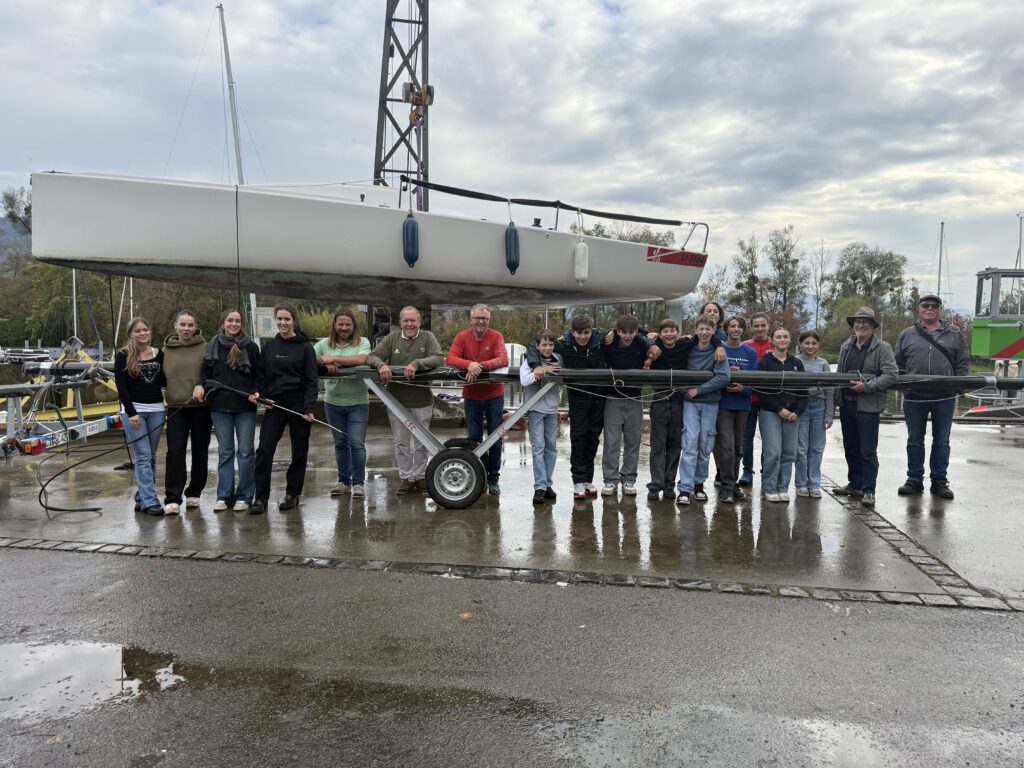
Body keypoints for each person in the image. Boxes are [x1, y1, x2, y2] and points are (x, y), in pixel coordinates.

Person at [894, 293, 970, 499]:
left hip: (944, 396)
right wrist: (902, 384)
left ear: (939, 310)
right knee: (914, 440)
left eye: (934, 306)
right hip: (914, 396)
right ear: (919, 309)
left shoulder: (954, 333)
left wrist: (960, 383)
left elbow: (963, 362)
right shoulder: (906, 334)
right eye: (925, 305)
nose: (930, 309)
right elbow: (898, 363)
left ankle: (939, 480)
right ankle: (914, 479)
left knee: (942, 441)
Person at [367, 306, 445, 495]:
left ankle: (419, 478)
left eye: (413, 320)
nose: (409, 324)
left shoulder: (427, 337)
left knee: (421, 442)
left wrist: (417, 364)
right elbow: (372, 356)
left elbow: (438, 358)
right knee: (401, 442)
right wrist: (381, 365)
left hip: (422, 400)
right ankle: (406, 478)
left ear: (419, 322)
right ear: (400, 323)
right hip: (397, 401)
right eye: (405, 320)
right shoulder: (391, 338)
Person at [250, 304, 318, 514]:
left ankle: (293, 493)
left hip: (298, 404)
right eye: (279, 319)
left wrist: (308, 408)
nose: (282, 323)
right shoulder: (269, 347)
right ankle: (261, 497)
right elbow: (260, 376)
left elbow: (311, 381)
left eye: (287, 319)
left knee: (299, 450)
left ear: (294, 321)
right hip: (274, 405)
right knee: (264, 450)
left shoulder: (305, 347)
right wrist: (264, 397)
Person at [647, 318, 725, 501]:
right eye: (665, 331)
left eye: (672, 331)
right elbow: (641, 335)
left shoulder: (686, 345)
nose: (669, 334)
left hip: (679, 399)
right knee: (658, 444)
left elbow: (707, 336)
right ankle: (655, 483)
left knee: (676, 444)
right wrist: (650, 340)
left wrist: (719, 345)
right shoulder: (654, 346)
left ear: (678, 332)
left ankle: (669, 484)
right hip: (659, 397)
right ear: (660, 333)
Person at [834, 308, 898, 507]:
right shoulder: (846, 345)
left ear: (872, 326)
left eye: (865, 322)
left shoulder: (883, 348)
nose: (861, 325)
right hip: (847, 404)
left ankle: (869, 490)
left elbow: (891, 375)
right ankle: (855, 484)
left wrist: (867, 387)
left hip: (868, 407)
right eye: (857, 322)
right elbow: (839, 372)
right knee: (850, 447)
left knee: (868, 451)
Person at [447, 304, 509, 495]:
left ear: (489, 320)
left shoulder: (496, 336)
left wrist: (480, 366)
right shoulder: (462, 336)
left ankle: (493, 479)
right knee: (474, 439)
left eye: (484, 318)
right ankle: (476, 476)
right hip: (472, 397)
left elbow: (503, 359)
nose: (481, 322)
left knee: (495, 439)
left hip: (494, 396)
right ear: (471, 319)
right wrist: (469, 364)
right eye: (477, 318)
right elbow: (451, 358)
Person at [202, 309, 261, 512]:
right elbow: (205, 373)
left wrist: (256, 391)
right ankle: (224, 495)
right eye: (230, 320)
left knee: (245, 452)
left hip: (245, 407)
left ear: (241, 324)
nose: (234, 324)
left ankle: (244, 496)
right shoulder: (213, 346)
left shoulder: (251, 347)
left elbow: (258, 375)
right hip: (219, 407)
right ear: (223, 322)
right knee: (225, 451)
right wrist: (201, 386)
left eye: (237, 321)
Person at [314, 307, 371, 498]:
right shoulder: (322, 344)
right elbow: (312, 359)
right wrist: (322, 362)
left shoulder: (363, 342)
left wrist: (334, 358)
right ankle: (343, 481)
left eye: (348, 324)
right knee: (340, 443)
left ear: (353, 325)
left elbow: (362, 359)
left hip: (358, 402)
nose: (344, 327)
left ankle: (359, 483)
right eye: (341, 324)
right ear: (335, 325)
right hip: (333, 402)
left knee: (357, 444)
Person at [675, 313, 730, 505]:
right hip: (690, 403)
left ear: (714, 330)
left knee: (705, 444)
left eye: (709, 329)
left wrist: (698, 390)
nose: (705, 332)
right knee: (690, 442)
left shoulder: (718, 351)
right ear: (696, 330)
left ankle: (699, 484)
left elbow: (723, 377)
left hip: (710, 402)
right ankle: (685, 487)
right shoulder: (688, 349)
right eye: (701, 329)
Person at [600, 314, 658, 497]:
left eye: (630, 332)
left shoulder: (640, 342)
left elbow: (650, 344)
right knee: (612, 442)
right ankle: (610, 480)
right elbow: (596, 335)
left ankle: (629, 479)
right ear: (617, 331)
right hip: (613, 399)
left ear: (635, 332)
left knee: (633, 441)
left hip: (635, 399)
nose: (627, 336)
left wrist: (650, 352)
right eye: (623, 332)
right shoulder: (608, 342)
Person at [114, 317, 166, 517]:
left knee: (151, 457)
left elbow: (165, 379)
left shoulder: (159, 354)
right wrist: (131, 412)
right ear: (131, 334)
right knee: (143, 456)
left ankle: (142, 496)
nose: (142, 333)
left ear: (150, 332)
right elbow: (121, 385)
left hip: (157, 410)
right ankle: (151, 501)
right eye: (138, 331)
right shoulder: (123, 355)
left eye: (145, 330)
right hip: (134, 411)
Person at [161, 310, 210, 515]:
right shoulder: (164, 350)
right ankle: (173, 497)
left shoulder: (205, 348)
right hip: (176, 407)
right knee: (175, 451)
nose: (186, 329)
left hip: (200, 407)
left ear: (195, 326)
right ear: (175, 326)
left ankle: (194, 492)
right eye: (183, 325)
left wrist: (202, 386)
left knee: (200, 451)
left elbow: (210, 373)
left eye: (190, 325)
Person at [713, 315, 759, 504]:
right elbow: (711, 374)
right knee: (726, 447)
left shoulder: (749, 352)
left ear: (743, 330)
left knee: (738, 448)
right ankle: (726, 486)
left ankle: (733, 485)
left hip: (743, 404)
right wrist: (725, 378)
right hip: (723, 403)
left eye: (739, 326)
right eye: (732, 326)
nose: (736, 329)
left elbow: (755, 380)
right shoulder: (719, 349)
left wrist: (744, 388)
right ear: (726, 329)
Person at [757, 327, 806, 502]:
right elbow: (762, 389)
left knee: (789, 453)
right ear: (773, 340)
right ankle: (769, 487)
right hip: (771, 412)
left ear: (790, 340)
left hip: (793, 414)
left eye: (785, 336)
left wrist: (798, 411)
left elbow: (803, 389)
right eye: (779, 337)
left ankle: (783, 487)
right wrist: (779, 409)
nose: (782, 339)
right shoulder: (765, 362)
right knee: (773, 452)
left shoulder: (796, 363)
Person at [520, 329, 562, 505]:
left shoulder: (558, 360)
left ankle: (547, 483)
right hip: (536, 410)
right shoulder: (529, 362)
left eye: (550, 344)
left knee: (551, 449)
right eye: (544, 344)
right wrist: (542, 371)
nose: (547, 348)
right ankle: (539, 486)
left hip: (551, 410)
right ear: (537, 346)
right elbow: (524, 380)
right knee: (538, 448)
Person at [794, 330, 835, 499]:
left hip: (819, 406)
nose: (810, 346)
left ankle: (814, 484)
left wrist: (829, 414)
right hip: (802, 406)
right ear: (800, 344)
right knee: (801, 448)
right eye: (807, 343)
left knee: (817, 448)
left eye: (813, 343)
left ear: (818, 345)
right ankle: (801, 483)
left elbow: (829, 389)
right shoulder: (796, 362)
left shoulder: (823, 364)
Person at [739, 312, 773, 486]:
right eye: (756, 326)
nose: (760, 329)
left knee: (768, 435)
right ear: (751, 328)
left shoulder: (775, 345)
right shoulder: (745, 346)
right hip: (749, 397)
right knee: (747, 435)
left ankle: (766, 468)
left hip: (769, 398)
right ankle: (747, 470)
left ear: (768, 326)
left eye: (763, 325)